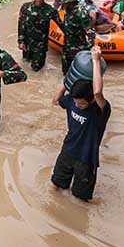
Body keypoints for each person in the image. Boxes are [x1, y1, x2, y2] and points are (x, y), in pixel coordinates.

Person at [51, 46, 111, 201]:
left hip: (86, 159)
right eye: (76, 103)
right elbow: (55, 100)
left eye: (81, 105)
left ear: (91, 101)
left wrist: (96, 61)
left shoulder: (99, 111)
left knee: (80, 198)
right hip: (67, 151)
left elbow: (97, 92)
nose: (77, 106)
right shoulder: (72, 101)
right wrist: (69, 80)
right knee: (56, 186)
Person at [17, 0, 60, 72]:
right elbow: (21, 24)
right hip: (27, 43)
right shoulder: (25, 7)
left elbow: (61, 25)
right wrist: (20, 41)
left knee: (36, 70)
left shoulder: (50, 10)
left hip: (41, 45)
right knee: (25, 64)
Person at [54, 0, 93, 75]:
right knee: (65, 74)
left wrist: (86, 51)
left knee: (77, 75)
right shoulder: (67, 11)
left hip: (78, 50)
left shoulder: (81, 13)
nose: (61, 3)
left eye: (63, 2)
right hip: (67, 48)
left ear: (70, 1)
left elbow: (90, 32)